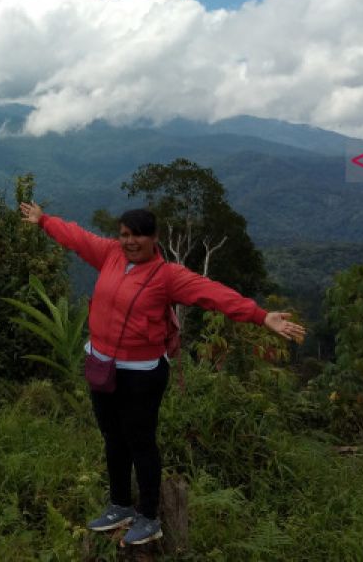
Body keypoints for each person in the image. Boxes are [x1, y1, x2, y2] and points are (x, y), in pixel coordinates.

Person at [19, 201, 305, 546]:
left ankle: (149, 517)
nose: (130, 241)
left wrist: (261, 316)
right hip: (101, 365)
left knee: (140, 442)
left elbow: (213, 293)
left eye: (138, 235)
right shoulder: (109, 254)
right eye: (125, 234)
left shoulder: (168, 276)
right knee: (113, 439)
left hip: (141, 373)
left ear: (154, 238)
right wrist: (43, 221)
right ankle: (120, 505)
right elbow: (77, 237)